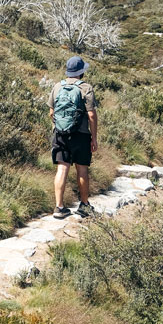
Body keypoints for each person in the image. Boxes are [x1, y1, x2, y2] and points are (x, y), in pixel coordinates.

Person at [47, 55, 98, 219]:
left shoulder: (57, 87)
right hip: (81, 135)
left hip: (60, 134)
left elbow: (51, 112)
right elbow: (91, 115)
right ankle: (84, 206)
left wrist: (59, 126)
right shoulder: (86, 88)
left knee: (62, 168)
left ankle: (59, 207)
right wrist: (94, 138)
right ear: (81, 72)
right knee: (82, 169)